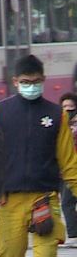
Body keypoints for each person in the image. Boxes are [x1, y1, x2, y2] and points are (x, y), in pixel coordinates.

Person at [0, 56, 77, 257]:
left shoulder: (56, 115)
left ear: (44, 80)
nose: (31, 87)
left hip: (45, 200)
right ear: (15, 82)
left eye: (36, 82)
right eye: (25, 83)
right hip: (10, 202)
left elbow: (69, 163)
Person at [59, 92, 77, 246]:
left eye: (71, 107)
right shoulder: (59, 124)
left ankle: (74, 233)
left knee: (67, 202)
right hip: (64, 168)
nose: (68, 110)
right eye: (64, 107)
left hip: (72, 168)